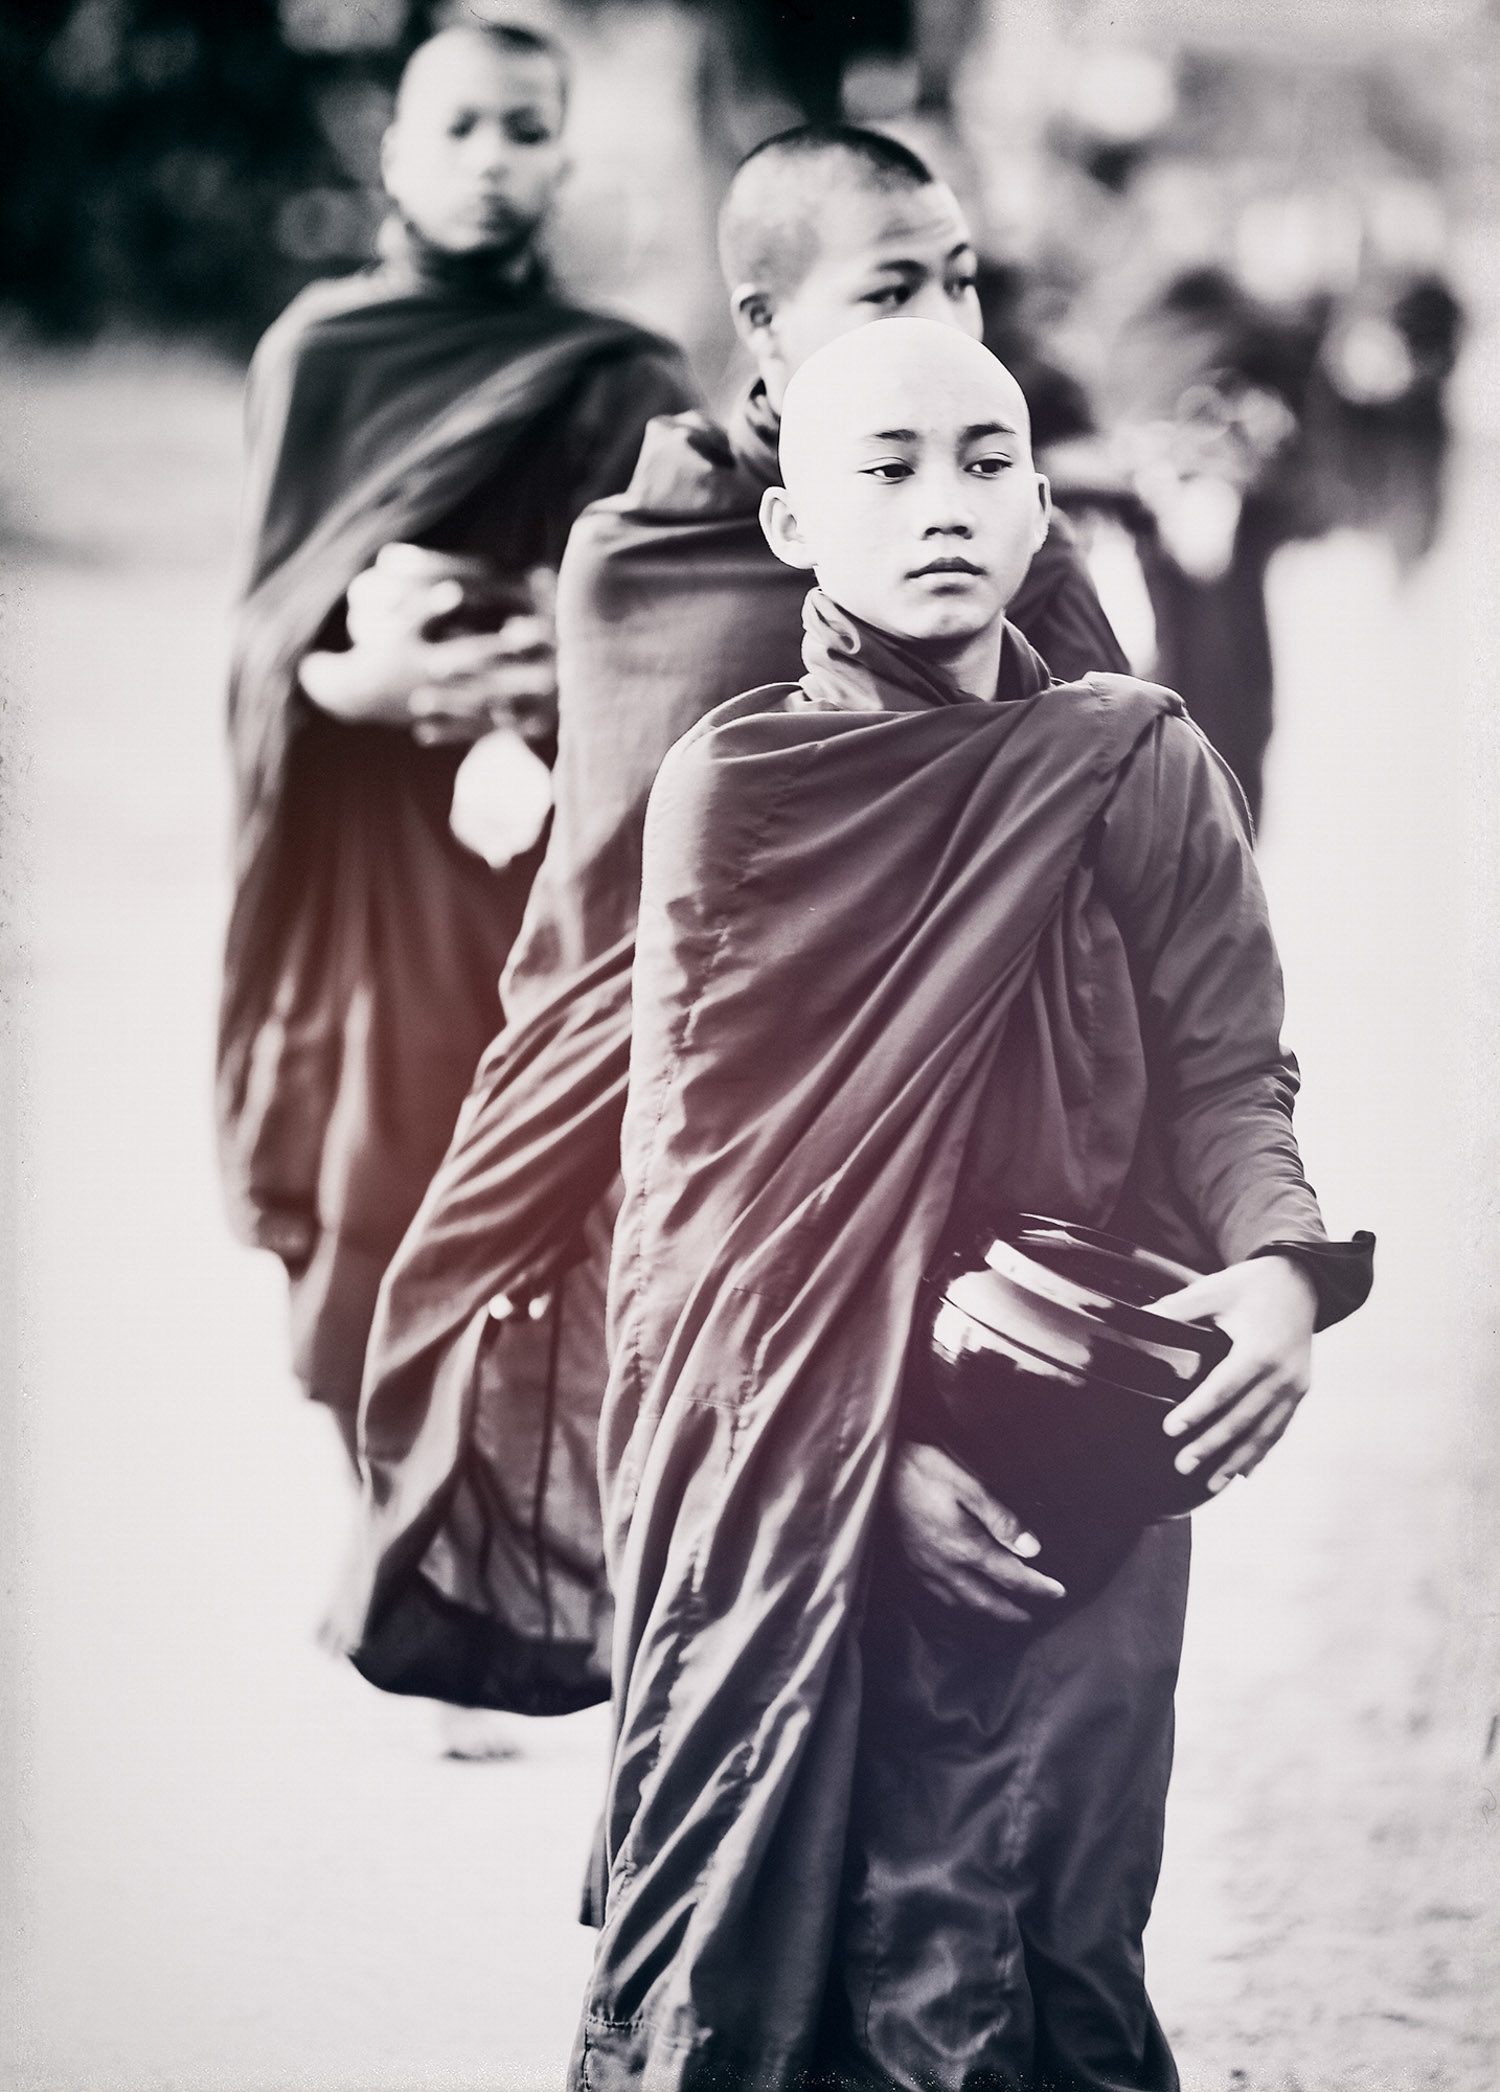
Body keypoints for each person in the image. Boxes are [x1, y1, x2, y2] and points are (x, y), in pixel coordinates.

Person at [568, 320, 1373, 2089]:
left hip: (1082, 1438)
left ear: (1040, 508)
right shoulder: (741, 791)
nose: (946, 504)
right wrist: (867, 1466)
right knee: (808, 1950)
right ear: (793, 525)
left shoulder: (1133, 760)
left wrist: (1280, 1270)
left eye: (987, 462)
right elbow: (702, 1214)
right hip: (812, 1466)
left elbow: (1233, 1074)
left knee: (1048, 1934)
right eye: (890, 468)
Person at [333, 125, 1129, 1715]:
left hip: (971, 1175)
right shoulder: (651, 553)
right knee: (732, 1684)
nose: (941, 324)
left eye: (962, 282)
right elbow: (621, 949)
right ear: (764, 326)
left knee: (957, 1734)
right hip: (708, 1177)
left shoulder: (1009, 549)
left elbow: (1129, 870)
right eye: (890, 288)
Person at [217, 18, 696, 1463]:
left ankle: (527, 1529)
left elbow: (678, 614)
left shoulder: (621, 372)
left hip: (552, 843)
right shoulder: (321, 355)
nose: (493, 161)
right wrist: (358, 685)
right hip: (372, 841)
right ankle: (395, 1522)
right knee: (378, 1189)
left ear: (563, 162)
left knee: (551, 1193)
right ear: (394, 155)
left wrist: (539, 656)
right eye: (461, 129)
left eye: (527, 131)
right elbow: (267, 631)